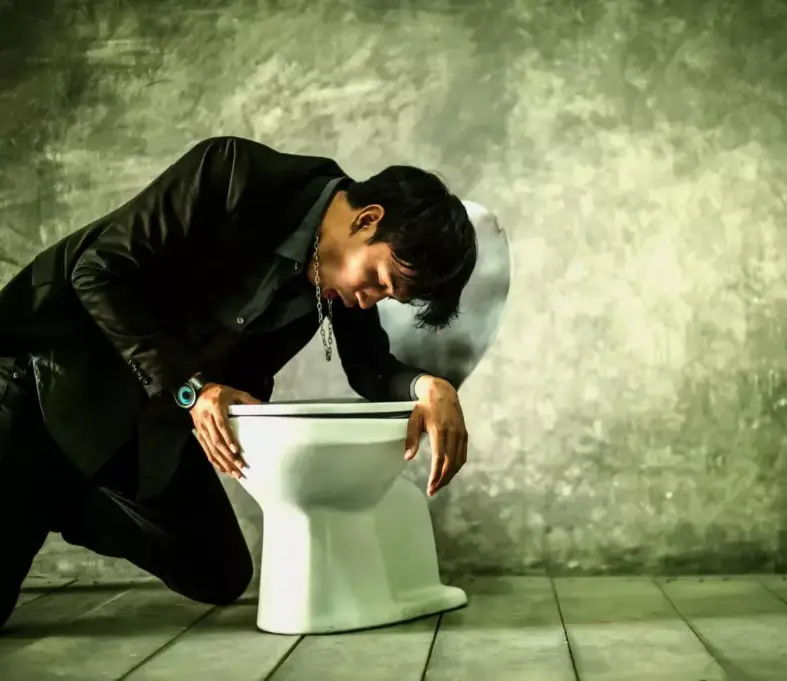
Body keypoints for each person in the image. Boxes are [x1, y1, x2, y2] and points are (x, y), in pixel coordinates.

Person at [0, 135, 477, 626]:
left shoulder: (336, 277)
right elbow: (97, 272)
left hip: (141, 425)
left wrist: (430, 388)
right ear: (367, 218)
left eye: (387, 296)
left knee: (217, 574)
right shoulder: (232, 172)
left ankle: (55, 495)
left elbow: (369, 365)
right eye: (379, 278)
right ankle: (29, 484)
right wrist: (195, 389)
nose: (368, 299)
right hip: (45, 378)